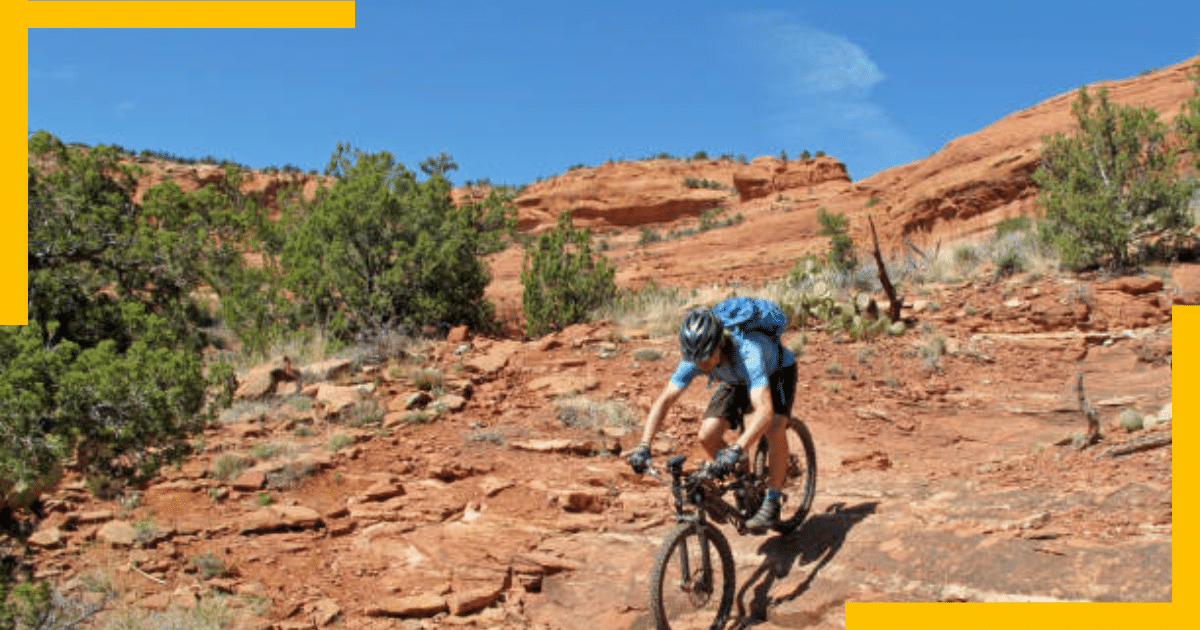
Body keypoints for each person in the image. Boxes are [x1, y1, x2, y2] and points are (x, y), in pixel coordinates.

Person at [627, 305, 797, 532]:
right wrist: (644, 445)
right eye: (695, 358)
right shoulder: (696, 357)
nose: (701, 365)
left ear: (720, 343)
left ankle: (774, 499)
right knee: (707, 436)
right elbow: (665, 400)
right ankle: (743, 480)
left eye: (705, 357)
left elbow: (763, 410)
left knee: (775, 426)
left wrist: (738, 447)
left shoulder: (749, 352)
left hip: (776, 372)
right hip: (734, 379)